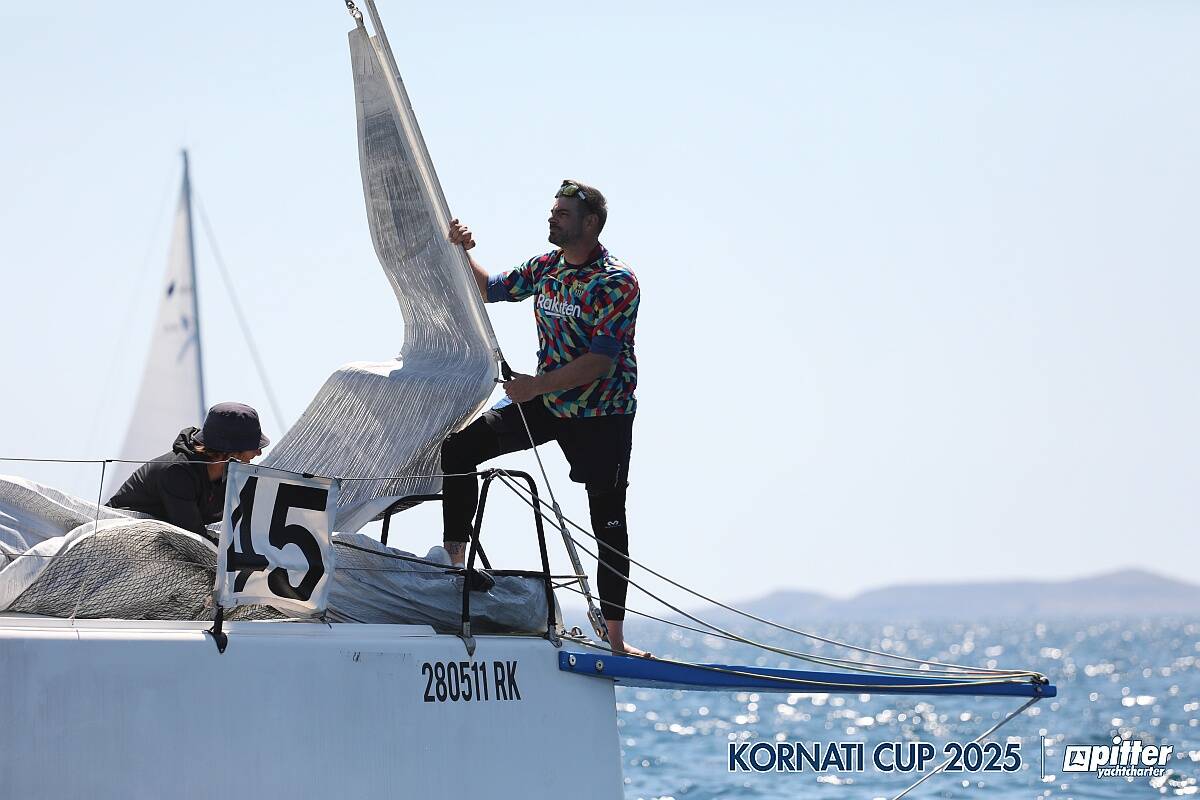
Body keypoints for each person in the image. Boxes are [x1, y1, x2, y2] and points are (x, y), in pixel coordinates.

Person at [441, 179, 646, 656]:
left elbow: (600, 361)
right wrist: (463, 251)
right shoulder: (547, 268)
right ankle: (455, 565)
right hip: (550, 405)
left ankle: (616, 640)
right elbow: (490, 289)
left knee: (608, 520)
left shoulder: (616, 281)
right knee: (459, 447)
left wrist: (533, 387)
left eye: (563, 214)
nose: (552, 218)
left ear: (590, 223)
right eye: (553, 211)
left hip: (602, 414)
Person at [108, 402, 269, 538]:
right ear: (230, 449)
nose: (259, 452)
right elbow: (192, 535)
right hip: (120, 535)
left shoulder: (228, 474)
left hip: (162, 537)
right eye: (253, 446)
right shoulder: (177, 472)